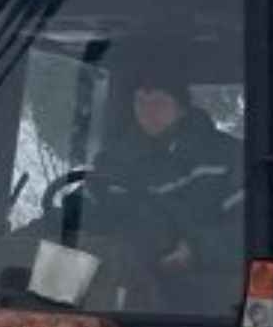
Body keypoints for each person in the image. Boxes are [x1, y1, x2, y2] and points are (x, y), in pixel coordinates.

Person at [91, 59, 241, 281]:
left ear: (181, 108)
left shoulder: (225, 158)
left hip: (203, 295)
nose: (147, 111)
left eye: (158, 103)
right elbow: (87, 212)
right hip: (117, 281)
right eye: (140, 101)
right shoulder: (115, 159)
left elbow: (247, 232)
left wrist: (195, 251)